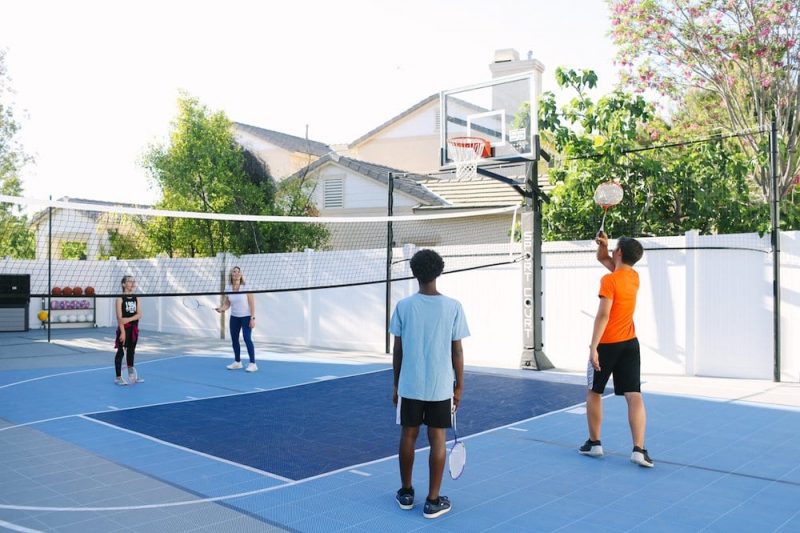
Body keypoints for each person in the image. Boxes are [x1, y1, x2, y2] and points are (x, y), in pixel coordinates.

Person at [389, 249, 469, 519]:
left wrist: (396, 386)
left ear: (414, 273)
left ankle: (406, 493)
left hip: (410, 385)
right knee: (437, 439)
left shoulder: (403, 306)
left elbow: (397, 351)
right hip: (440, 386)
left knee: (407, 436)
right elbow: (456, 351)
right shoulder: (453, 306)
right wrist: (459, 386)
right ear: (439, 271)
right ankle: (433, 501)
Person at [580, 232, 652, 467]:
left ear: (619, 252)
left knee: (594, 392)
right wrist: (604, 247)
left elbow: (603, 315)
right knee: (634, 395)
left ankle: (595, 443)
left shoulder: (608, 281)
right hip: (630, 344)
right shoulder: (634, 277)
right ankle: (639, 449)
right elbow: (609, 262)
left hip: (607, 344)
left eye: (615, 248)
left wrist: (593, 347)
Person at [215, 266, 257, 372]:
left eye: (238, 272)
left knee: (247, 338)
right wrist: (221, 309)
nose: (237, 273)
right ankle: (237, 362)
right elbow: (227, 303)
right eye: (234, 272)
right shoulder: (228, 288)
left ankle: (253, 363)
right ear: (232, 275)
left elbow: (252, 304)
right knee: (234, 340)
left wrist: (252, 318)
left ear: (241, 274)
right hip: (234, 317)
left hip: (246, 317)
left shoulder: (246, 287)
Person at [114, 275, 142, 385]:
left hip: (134, 328)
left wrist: (128, 319)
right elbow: (119, 318)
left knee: (131, 352)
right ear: (124, 284)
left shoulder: (136, 298)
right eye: (129, 281)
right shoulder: (120, 299)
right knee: (121, 352)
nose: (132, 283)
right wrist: (123, 331)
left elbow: (139, 314)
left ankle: (131, 376)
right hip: (124, 329)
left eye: (133, 281)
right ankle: (118, 377)